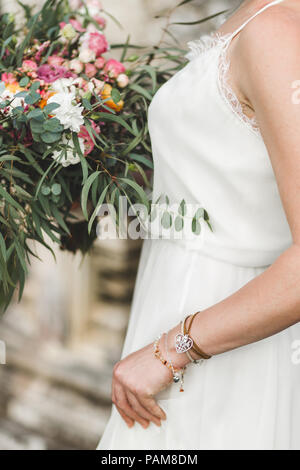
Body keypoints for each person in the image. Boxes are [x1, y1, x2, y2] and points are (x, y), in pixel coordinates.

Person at [98, 0, 300, 450]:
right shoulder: (261, 16)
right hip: (178, 305)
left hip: (219, 337)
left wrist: (173, 350)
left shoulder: (277, 32)